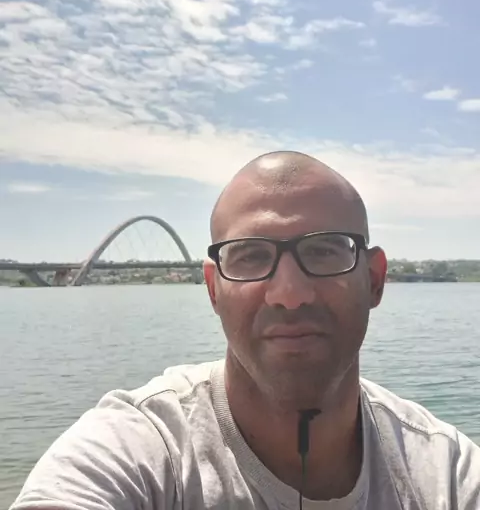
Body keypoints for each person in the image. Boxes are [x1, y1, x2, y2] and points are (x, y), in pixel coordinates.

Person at [10, 151, 480, 510]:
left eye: (324, 251)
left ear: (374, 279)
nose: (289, 294)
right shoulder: (139, 450)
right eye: (250, 256)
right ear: (213, 289)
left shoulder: (448, 473)